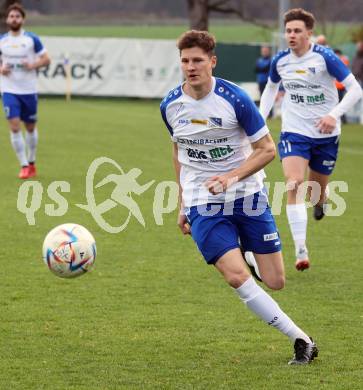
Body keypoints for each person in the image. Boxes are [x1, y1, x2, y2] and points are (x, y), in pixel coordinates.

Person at [160, 30, 318, 365]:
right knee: (235, 277)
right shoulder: (170, 105)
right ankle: (301, 339)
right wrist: (182, 204)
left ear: (212, 62)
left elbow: (267, 150)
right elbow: (179, 152)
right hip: (204, 204)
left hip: (248, 196)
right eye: (185, 60)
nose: (191, 67)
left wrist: (231, 176)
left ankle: (248, 252)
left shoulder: (236, 100)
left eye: (198, 60)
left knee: (275, 281)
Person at [260, 8, 362, 271]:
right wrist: (259, 122)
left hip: (326, 133)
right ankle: (301, 249)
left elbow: (355, 90)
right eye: (288, 31)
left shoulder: (325, 57)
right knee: (293, 183)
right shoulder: (280, 60)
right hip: (294, 130)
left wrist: (333, 114)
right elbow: (271, 88)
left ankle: (321, 202)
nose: (291, 35)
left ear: (309, 34)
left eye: (297, 31)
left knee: (315, 191)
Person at [0, 3, 50, 179]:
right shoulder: (2, 40)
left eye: (17, 16)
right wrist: (1, 69)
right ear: (7, 19)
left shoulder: (31, 39)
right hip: (8, 89)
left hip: (28, 90)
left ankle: (32, 161)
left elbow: (46, 59)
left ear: (23, 19)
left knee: (30, 127)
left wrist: (33, 64)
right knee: (14, 127)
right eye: (11, 16)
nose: (14, 19)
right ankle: (23, 165)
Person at [334, 49, 350, 123]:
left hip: (340, 86)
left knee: (339, 103)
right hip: (339, 86)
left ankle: (342, 119)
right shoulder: (343, 60)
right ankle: (342, 119)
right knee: (339, 102)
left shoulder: (340, 60)